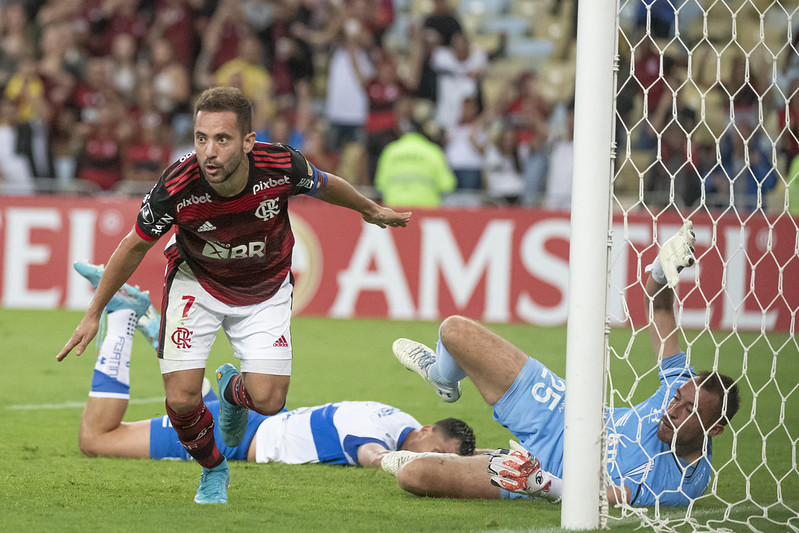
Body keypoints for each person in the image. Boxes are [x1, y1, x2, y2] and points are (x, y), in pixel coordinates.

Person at [57, 86, 411, 505]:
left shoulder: (279, 164)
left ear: (247, 141)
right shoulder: (177, 186)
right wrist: (94, 310)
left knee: (269, 399)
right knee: (181, 398)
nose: (209, 151)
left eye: (222, 139)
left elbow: (325, 185)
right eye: (201, 138)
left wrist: (368, 209)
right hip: (198, 284)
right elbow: (134, 244)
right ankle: (212, 470)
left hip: (265, 288)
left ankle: (230, 391)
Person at [383, 221, 741, 507]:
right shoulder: (677, 385)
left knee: (414, 476)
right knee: (455, 332)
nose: (673, 408)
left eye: (689, 409)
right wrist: (662, 273)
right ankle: (442, 377)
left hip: (547, 473)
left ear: (714, 430)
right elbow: (660, 308)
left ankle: (482, 458)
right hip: (562, 411)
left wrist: (541, 483)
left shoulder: (682, 483)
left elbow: (609, 497)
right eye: (677, 397)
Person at [75, 263, 475, 469]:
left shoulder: (398, 420)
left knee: (191, 397)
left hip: (262, 423)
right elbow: (374, 457)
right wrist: (418, 465)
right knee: (97, 439)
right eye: (437, 453)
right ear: (425, 431)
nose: (436, 461)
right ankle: (125, 321)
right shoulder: (373, 435)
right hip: (245, 438)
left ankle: (148, 323)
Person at [374, 123, 456, 208]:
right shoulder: (433, 151)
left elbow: (380, 183)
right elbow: (447, 185)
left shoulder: (391, 150)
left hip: (395, 207)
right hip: (426, 207)